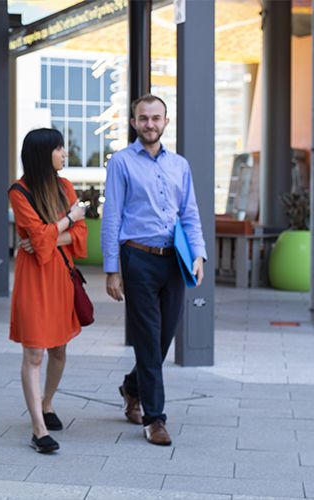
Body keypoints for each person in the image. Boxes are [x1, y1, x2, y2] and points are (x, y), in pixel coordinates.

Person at [101, 94, 206, 446]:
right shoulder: (121, 163)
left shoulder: (180, 165)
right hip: (138, 259)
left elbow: (189, 213)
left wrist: (199, 255)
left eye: (156, 118)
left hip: (174, 259)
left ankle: (132, 386)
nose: (150, 124)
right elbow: (112, 216)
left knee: (163, 339)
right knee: (148, 338)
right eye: (143, 118)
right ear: (133, 123)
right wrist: (112, 269)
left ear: (165, 122)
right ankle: (155, 417)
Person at [9, 128, 87, 453]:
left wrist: (50, 234)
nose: (64, 154)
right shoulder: (18, 192)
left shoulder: (65, 186)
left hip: (60, 275)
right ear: (43, 154)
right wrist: (68, 219)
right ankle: (38, 430)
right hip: (34, 278)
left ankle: (47, 402)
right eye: (59, 149)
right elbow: (43, 240)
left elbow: (77, 236)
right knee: (34, 352)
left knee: (58, 348)